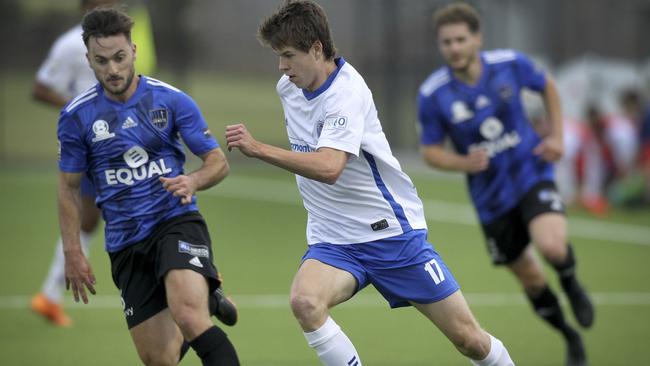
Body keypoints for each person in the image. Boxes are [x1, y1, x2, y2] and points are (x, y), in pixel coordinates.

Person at [226, 1, 514, 365]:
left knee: (469, 339)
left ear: (316, 49)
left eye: (287, 55)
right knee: (306, 301)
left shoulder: (346, 94)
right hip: (334, 240)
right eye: (278, 56)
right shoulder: (289, 87)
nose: (281, 67)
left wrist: (259, 149)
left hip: (390, 235)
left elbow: (330, 168)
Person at [30, 0, 237, 329]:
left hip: (133, 136)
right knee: (90, 218)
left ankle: (202, 280)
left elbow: (140, 81)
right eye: (101, 61)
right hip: (96, 145)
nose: (111, 67)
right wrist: (85, 115)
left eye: (119, 58)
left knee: (156, 208)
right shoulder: (71, 44)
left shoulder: (133, 30)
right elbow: (41, 89)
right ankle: (52, 293)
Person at [416, 3, 593, 366]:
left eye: (461, 39)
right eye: (446, 42)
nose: (454, 47)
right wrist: (462, 162)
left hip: (530, 173)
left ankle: (571, 282)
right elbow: (431, 152)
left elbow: (547, 87)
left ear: (477, 38)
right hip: (490, 198)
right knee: (530, 279)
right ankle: (569, 335)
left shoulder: (509, 63)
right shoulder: (433, 94)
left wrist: (557, 137)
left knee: (553, 247)